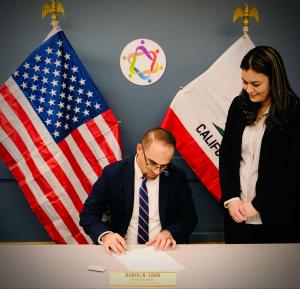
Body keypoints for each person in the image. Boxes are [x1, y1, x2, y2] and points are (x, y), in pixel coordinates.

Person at [219, 46, 300, 243]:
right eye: (244, 82)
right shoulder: (238, 106)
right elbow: (227, 155)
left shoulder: (294, 111)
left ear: (274, 79)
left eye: (256, 83)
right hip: (237, 218)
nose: (248, 89)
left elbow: (294, 171)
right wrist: (231, 198)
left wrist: (259, 205)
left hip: (279, 220)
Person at [80, 127, 197, 254]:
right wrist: (106, 236)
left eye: (164, 165)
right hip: (123, 250)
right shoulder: (113, 173)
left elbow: (189, 218)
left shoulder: (177, 176)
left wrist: (170, 232)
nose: (157, 171)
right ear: (139, 149)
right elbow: (88, 214)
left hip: (163, 251)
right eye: (153, 163)